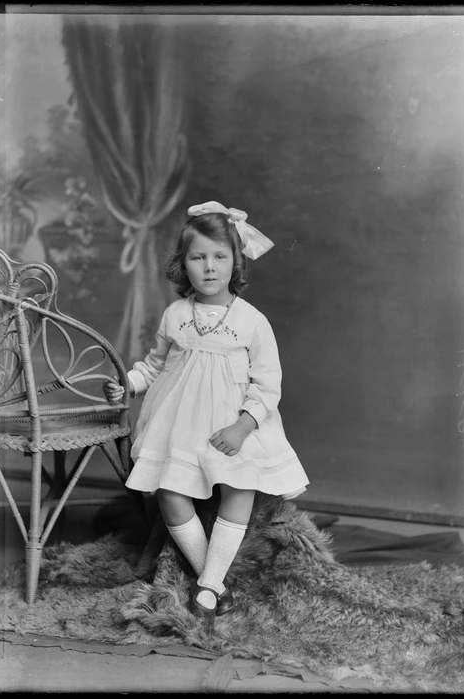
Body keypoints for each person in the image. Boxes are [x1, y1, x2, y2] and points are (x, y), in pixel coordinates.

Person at [103, 201, 309, 622]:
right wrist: (128, 383)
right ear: (184, 265)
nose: (209, 267)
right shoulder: (176, 315)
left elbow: (268, 384)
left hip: (231, 424)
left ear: (236, 263)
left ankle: (210, 585)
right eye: (198, 257)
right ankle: (211, 578)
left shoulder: (253, 322)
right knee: (170, 495)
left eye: (220, 257)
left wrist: (241, 427)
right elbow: (156, 365)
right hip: (179, 423)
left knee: (240, 489)